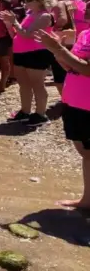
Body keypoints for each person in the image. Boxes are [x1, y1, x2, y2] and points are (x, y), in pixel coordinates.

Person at [38, 26, 90, 210]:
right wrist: (56, 49)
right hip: (75, 101)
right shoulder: (85, 34)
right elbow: (71, 67)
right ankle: (87, 200)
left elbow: (87, 69)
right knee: (86, 154)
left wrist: (59, 49)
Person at [0, 0, 56, 124]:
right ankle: (25, 111)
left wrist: (15, 22)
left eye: (30, 0)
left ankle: (40, 114)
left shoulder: (45, 16)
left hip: (37, 53)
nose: (27, 3)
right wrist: (9, 25)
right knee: (23, 84)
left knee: (37, 84)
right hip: (21, 52)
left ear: (40, 1)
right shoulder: (30, 14)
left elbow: (27, 34)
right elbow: (17, 35)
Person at [50, 0, 79, 97]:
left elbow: (62, 20)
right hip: (80, 40)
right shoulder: (79, 2)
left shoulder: (61, 4)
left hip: (65, 40)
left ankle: (66, 100)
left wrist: (51, 29)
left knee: (61, 73)